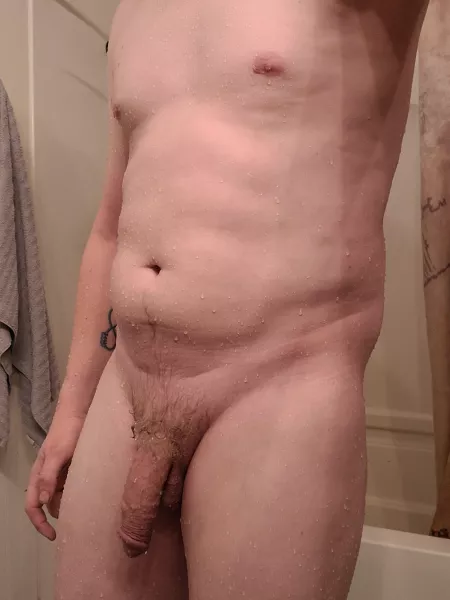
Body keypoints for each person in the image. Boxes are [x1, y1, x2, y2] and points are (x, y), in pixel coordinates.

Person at [25, 0, 429, 598]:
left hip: (280, 384)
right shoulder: (133, 12)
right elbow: (111, 226)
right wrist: (72, 409)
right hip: (126, 385)